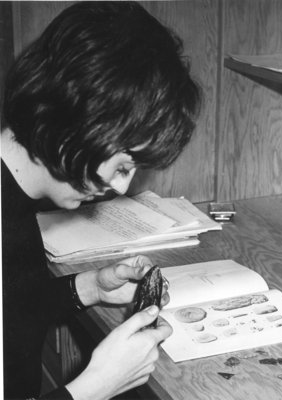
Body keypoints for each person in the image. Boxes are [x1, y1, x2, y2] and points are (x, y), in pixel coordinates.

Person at [1, 1, 201, 400]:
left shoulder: (17, 199)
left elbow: (11, 311)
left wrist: (92, 287)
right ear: (76, 119)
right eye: (123, 165)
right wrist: (94, 388)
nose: (123, 188)